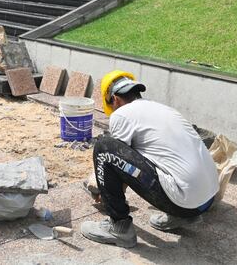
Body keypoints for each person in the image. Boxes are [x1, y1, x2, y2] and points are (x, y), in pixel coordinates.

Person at [80, 71, 219, 248]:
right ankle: (184, 216)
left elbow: (116, 162)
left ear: (115, 100)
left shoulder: (121, 114)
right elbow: (133, 160)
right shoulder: (163, 109)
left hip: (183, 201)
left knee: (104, 147)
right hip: (206, 201)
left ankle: (119, 228)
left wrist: (108, 194)